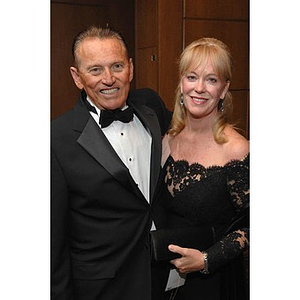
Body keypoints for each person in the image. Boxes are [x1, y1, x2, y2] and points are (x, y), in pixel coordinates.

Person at [51, 26, 171, 300]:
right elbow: (53, 243)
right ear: (77, 77)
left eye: (117, 66)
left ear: (130, 68)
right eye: (95, 70)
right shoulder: (55, 140)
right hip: (98, 289)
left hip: (158, 280)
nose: (109, 79)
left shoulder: (151, 113)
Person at [154, 37, 249, 299]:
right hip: (165, 279)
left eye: (211, 79)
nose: (199, 88)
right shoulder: (166, 139)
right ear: (182, 82)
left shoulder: (237, 150)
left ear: (224, 87)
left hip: (214, 284)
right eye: (192, 77)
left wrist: (206, 259)